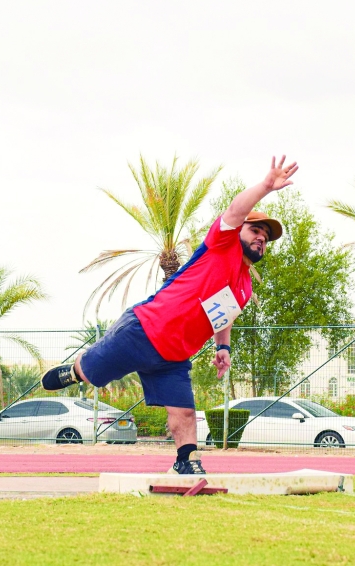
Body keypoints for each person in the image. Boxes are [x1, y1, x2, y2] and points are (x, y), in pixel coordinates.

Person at [42, 156, 298, 474]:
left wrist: (223, 347)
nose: (261, 237)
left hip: (174, 358)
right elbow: (235, 210)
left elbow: (224, 316)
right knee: (92, 374)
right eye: (255, 230)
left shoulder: (245, 286)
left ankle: (186, 462)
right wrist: (265, 186)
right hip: (141, 332)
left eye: (266, 237)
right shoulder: (221, 244)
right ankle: (75, 370)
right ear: (239, 231)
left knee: (185, 412)